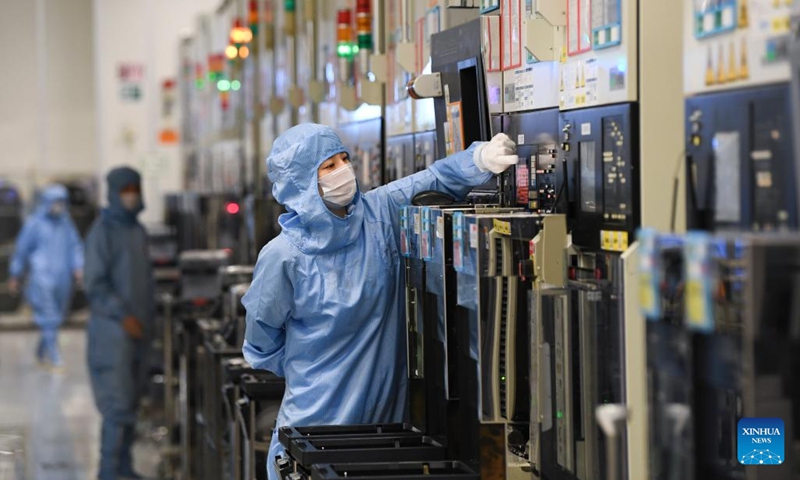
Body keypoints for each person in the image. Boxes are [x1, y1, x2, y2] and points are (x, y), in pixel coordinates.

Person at [241, 123, 518, 479]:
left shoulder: (379, 215)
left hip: (385, 432)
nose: (343, 171)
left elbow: (433, 180)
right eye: (329, 166)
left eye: (344, 159)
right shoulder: (283, 256)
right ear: (301, 181)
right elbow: (261, 346)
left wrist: (480, 158)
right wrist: (316, 369)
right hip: (314, 429)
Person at [84, 166, 155, 480]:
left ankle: (124, 469)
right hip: (113, 335)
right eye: (125, 188)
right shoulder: (103, 232)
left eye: (135, 188)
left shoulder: (136, 230)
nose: (131, 194)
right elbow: (95, 285)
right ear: (113, 191)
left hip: (138, 333)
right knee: (116, 408)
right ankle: (109, 472)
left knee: (130, 406)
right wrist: (122, 316)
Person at [8, 184, 84, 369]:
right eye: (55, 201)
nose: (58, 206)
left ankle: (41, 352)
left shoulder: (66, 223)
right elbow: (22, 250)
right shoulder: (34, 223)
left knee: (57, 316)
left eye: (61, 202)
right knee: (49, 316)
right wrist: (15, 274)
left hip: (63, 277)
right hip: (41, 277)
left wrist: (78, 266)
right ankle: (54, 356)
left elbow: (75, 246)